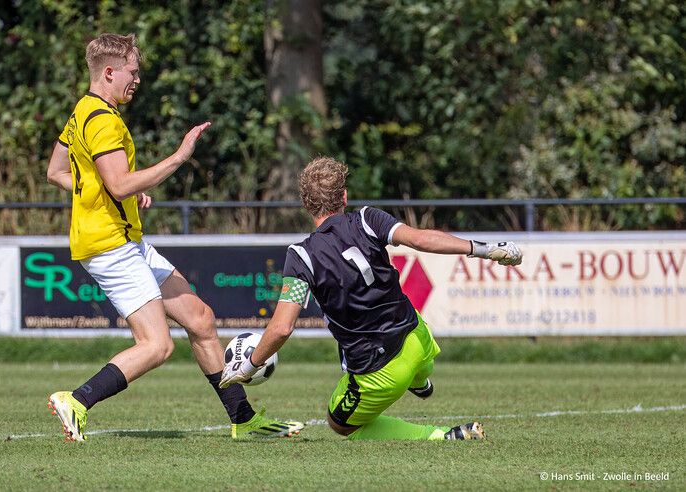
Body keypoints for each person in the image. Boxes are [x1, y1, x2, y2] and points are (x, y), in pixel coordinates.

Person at [45, 32, 303, 441]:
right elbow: (118, 184)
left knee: (200, 319)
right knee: (157, 346)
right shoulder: (103, 120)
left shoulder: (82, 111)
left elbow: (57, 171)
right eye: (133, 71)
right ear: (109, 72)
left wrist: (117, 189)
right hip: (111, 246)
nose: (138, 79)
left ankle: (243, 419)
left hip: (126, 239)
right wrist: (177, 159)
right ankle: (76, 399)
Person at [221, 156, 522, 441]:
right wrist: (483, 249)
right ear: (344, 197)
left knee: (339, 424)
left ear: (305, 204)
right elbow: (419, 239)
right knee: (414, 347)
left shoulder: (301, 257)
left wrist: (249, 365)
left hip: (379, 370)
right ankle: (420, 379)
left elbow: (282, 327)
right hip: (419, 335)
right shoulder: (368, 219)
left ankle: (443, 435)